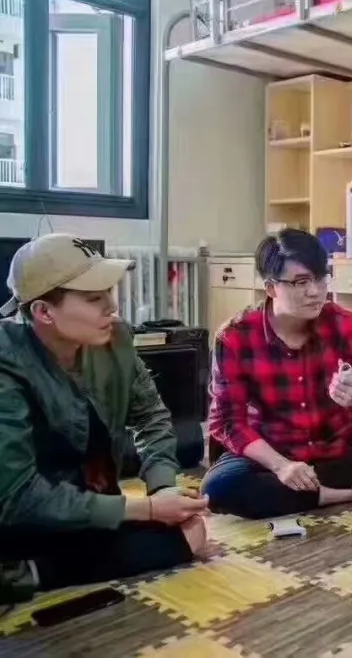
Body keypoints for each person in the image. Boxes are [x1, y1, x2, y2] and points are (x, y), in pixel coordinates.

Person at [0, 234, 208, 603]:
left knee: (190, 532)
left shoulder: (116, 338)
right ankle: (30, 572)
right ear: (43, 312)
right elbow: (17, 496)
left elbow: (151, 417)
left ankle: (33, 571)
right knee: (175, 542)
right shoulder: (6, 362)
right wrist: (144, 509)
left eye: (108, 292)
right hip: (21, 518)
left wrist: (162, 488)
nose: (112, 306)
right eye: (94, 298)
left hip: (91, 506)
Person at [201, 229, 352, 520]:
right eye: (301, 282)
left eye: (321, 278)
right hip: (272, 454)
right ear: (271, 288)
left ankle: (313, 493)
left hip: (336, 449)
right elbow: (228, 422)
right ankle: (345, 493)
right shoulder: (235, 336)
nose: (316, 291)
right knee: (220, 486)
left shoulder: (346, 324)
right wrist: (281, 466)